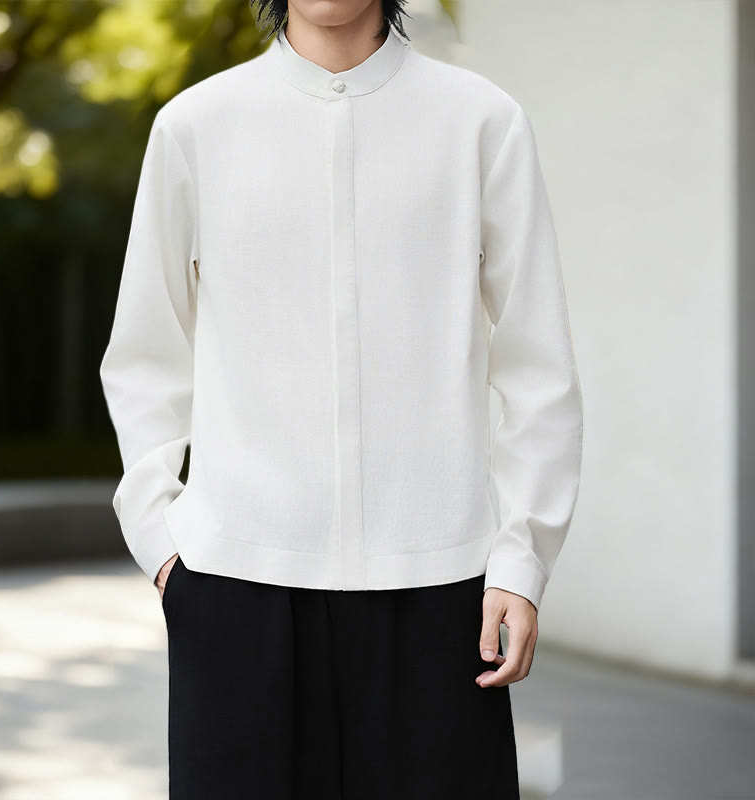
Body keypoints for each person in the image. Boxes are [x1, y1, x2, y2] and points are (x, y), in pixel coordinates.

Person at [99, 0, 583, 797]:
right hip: (233, 593)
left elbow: (539, 367)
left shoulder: (481, 122)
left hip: (442, 597)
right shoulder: (195, 126)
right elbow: (145, 357)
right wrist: (162, 547)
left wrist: (521, 559)